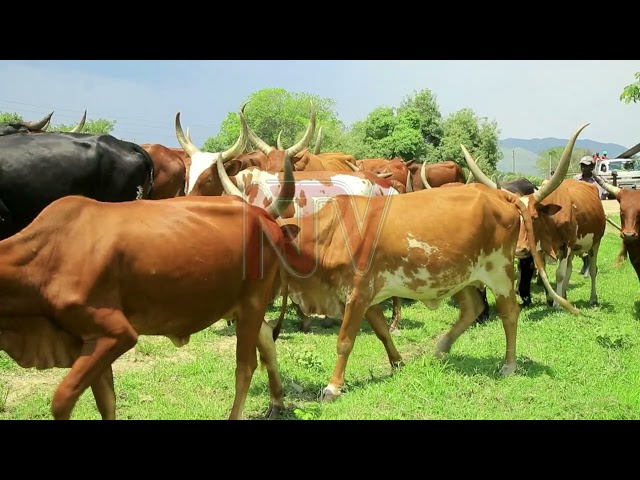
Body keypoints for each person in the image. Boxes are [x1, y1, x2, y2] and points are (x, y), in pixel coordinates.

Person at [573, 156, 607, 277]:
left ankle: (589, 264)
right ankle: (585, 263)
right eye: (583, 165)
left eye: (587, 166)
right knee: (579, 241)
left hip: (592, 215)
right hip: (578, 215)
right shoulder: (575, 179)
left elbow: (601, 197)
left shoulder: (598, 181)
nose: (584, 168)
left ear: (592, 167)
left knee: (592, 241)